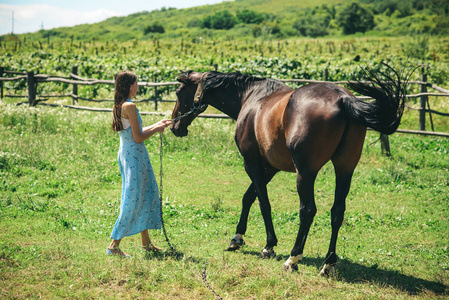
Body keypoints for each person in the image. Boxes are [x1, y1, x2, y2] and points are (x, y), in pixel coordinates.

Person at [108, 70, 173, 257]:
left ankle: (146, 243)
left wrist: (157, 124)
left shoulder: (121, 104)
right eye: (135, 84)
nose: (137, 87)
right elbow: (138, 137)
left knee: (142, 194)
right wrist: (156, 129)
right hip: (135, 156)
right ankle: (114, 244)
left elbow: (134, 131)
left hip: (129, 154)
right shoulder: (130, 106)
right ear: (129, 85)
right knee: (133, 199)